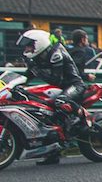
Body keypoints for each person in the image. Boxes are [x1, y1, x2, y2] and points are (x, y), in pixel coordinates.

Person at [15, 29, 87, 165]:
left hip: (74, 85)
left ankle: (83, 118)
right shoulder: (38, 56)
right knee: (43, 114)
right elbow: (26, 77)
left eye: (29, 45)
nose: (27, 48)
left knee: (61, 101)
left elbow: (56, 79)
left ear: (39, 44)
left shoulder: (56, 54)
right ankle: (52, 153)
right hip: (60, 88)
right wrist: (14, 85)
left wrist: (34, 70)